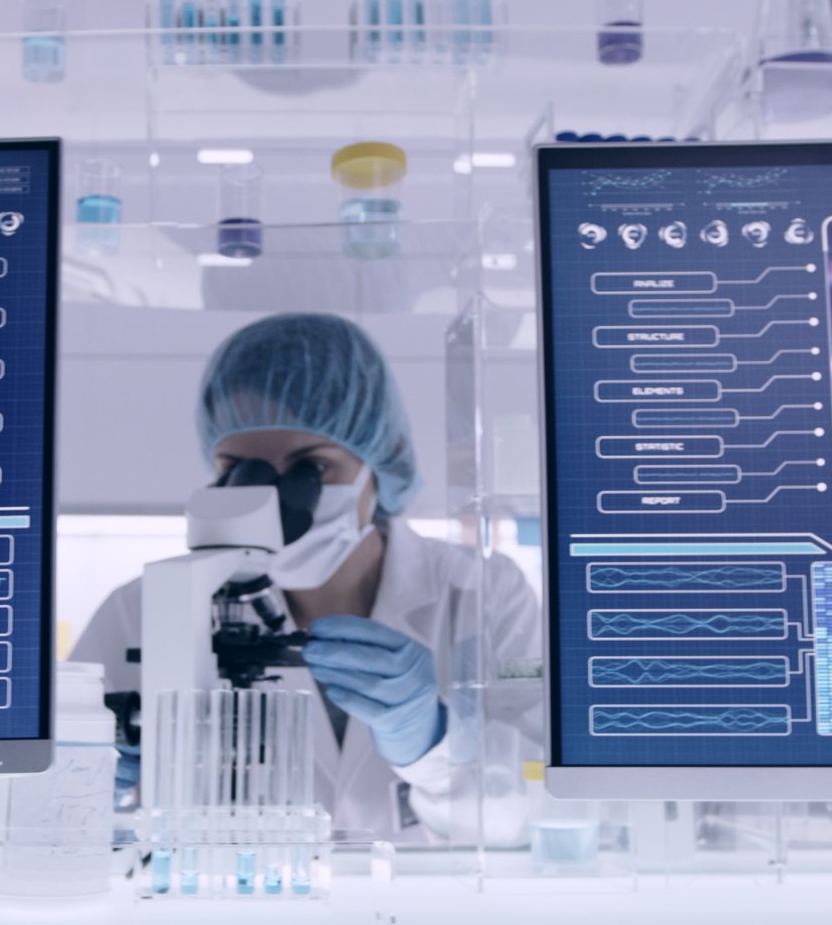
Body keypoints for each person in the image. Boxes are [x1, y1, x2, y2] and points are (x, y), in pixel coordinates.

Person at [70, 313, 541, 844]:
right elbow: (28, 815)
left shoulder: (483, 591)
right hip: (234, 912)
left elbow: (543, 816)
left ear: (376, 467)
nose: (271, 498)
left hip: (422, 914)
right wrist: (88, 781)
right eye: (237, 469)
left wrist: (433, 746)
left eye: (311, 469)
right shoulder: (143, 610)